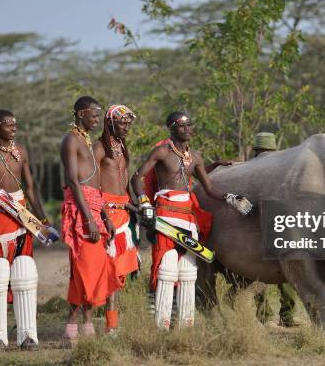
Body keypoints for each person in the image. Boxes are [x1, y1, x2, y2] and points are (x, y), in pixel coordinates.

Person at [131, 111, 252, 329]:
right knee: (165, 266)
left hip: (187, 216)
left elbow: (208, 186)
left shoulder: (194, 157)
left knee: (188, 269)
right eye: (181, 125)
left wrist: (230, 198)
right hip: (165, 213)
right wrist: (145, 204)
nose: (187, 129)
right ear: (171, 128)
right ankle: (158, 325)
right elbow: (136, 178)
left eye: (190, 124)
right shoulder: (162, 151)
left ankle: (184, 325)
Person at [0, 109, 53, 351]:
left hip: (22, 215)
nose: (14, 127)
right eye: (8, 124)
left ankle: (27, 337)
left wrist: (42, 218)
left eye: (15, 123)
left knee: (23, 272)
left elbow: (32, 187)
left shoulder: (21, 151)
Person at [60, 96, 118, 344]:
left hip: (95, 208)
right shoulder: (71, 140)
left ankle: (86, 324)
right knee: (83, 271)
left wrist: (104, 216)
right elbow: (73, 181)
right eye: (94, 116)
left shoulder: (88, 141)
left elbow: (97, 185)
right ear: (82, 113)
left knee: (95, 271)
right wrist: (89, 219)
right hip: (81, 211)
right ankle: (72, 326)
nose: (97, 120)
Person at [93, 104, 139, 334]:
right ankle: (88, 325)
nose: (127, 127)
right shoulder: (99, 148)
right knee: (102, 271)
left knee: (118, 272)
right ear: (109, 123)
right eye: (122, 123)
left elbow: (125, 179)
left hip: (123, 213)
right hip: (105, 214)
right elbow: (91, 186)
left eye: (129, 124)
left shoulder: (122, 146)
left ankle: (112, 326)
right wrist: (102, 213)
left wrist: (135, 203)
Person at [249, 132, 299, 327]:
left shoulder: (248, 168)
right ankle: (287, 317)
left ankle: (265, 316)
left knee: (256, 274)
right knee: (288, 273)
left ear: (256, 150)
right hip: (281, 226)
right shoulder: (282, 168)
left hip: (253, 226)